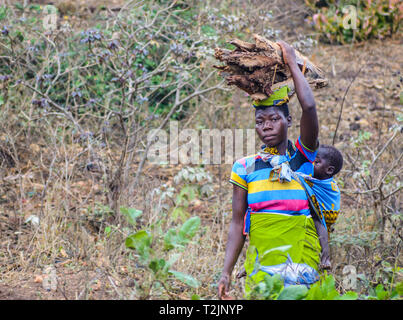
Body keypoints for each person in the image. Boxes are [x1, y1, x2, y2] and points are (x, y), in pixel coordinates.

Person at [218, 40, 322, 299]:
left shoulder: (302, 158)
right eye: (260, 121)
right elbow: (237, 221)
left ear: (288, 120)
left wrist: (291, 63)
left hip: (301, 262)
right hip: (262, 265)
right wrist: (226, 272)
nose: (266, 126)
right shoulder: (244, 167)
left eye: (274, 119)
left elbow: (309, 107)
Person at [300, 144, 343, 270]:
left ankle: (325, 257)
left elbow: (302, 180)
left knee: (317, 220)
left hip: (327, 212)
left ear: (329, 170)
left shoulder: (324, 184)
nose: (312, 164)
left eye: (316, 162)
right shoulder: (316, 178)